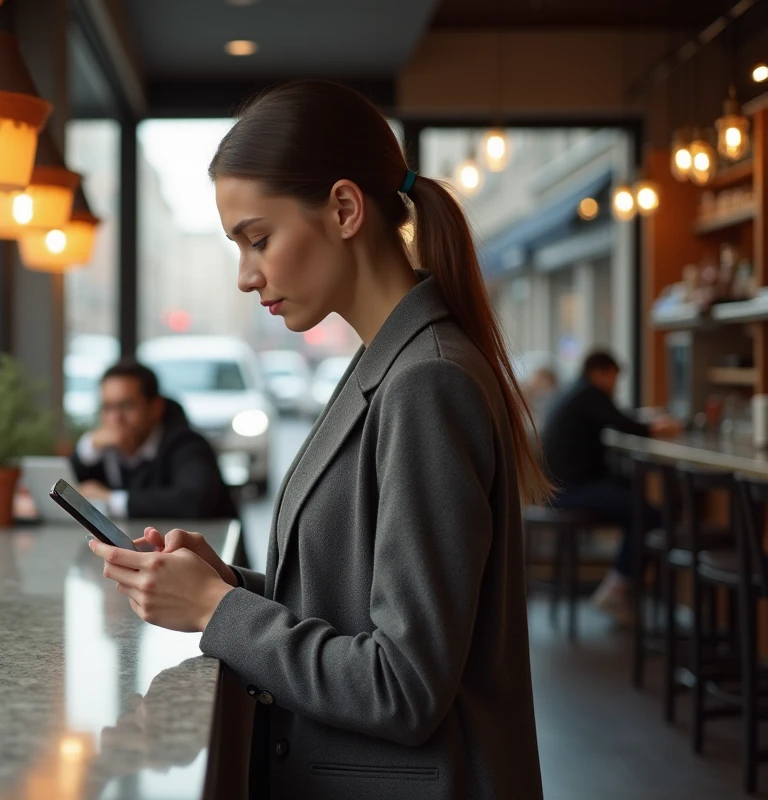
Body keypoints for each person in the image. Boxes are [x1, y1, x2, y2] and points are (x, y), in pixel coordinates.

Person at [87, 80, 546, 799]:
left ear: (343, 208)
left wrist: (215, 611)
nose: (246, 276)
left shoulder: (425, 382)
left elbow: (403, 684)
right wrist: (226, 585)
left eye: (258, 239)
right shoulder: (383, 363)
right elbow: (363, 602)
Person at [541, 350, 680, 623]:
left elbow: (616, 417)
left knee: (633, 494)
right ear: (600, 372)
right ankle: (618, 590)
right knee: (647, 514)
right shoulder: (590, 394)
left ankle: (624, 585)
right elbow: (623, 422)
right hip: (570, 492)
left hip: (559, 488)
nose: (614, 386)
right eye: (614, 379)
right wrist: (657, 428)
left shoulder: (575, 392)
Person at [71, 359, 237, 520]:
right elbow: (68, 486)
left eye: (127, 406)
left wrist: (111, 500)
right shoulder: (105, 449)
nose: (115, 418)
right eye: (107, 408)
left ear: (156, 408)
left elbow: (193, 501)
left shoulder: (187, 445)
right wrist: (89, 446)